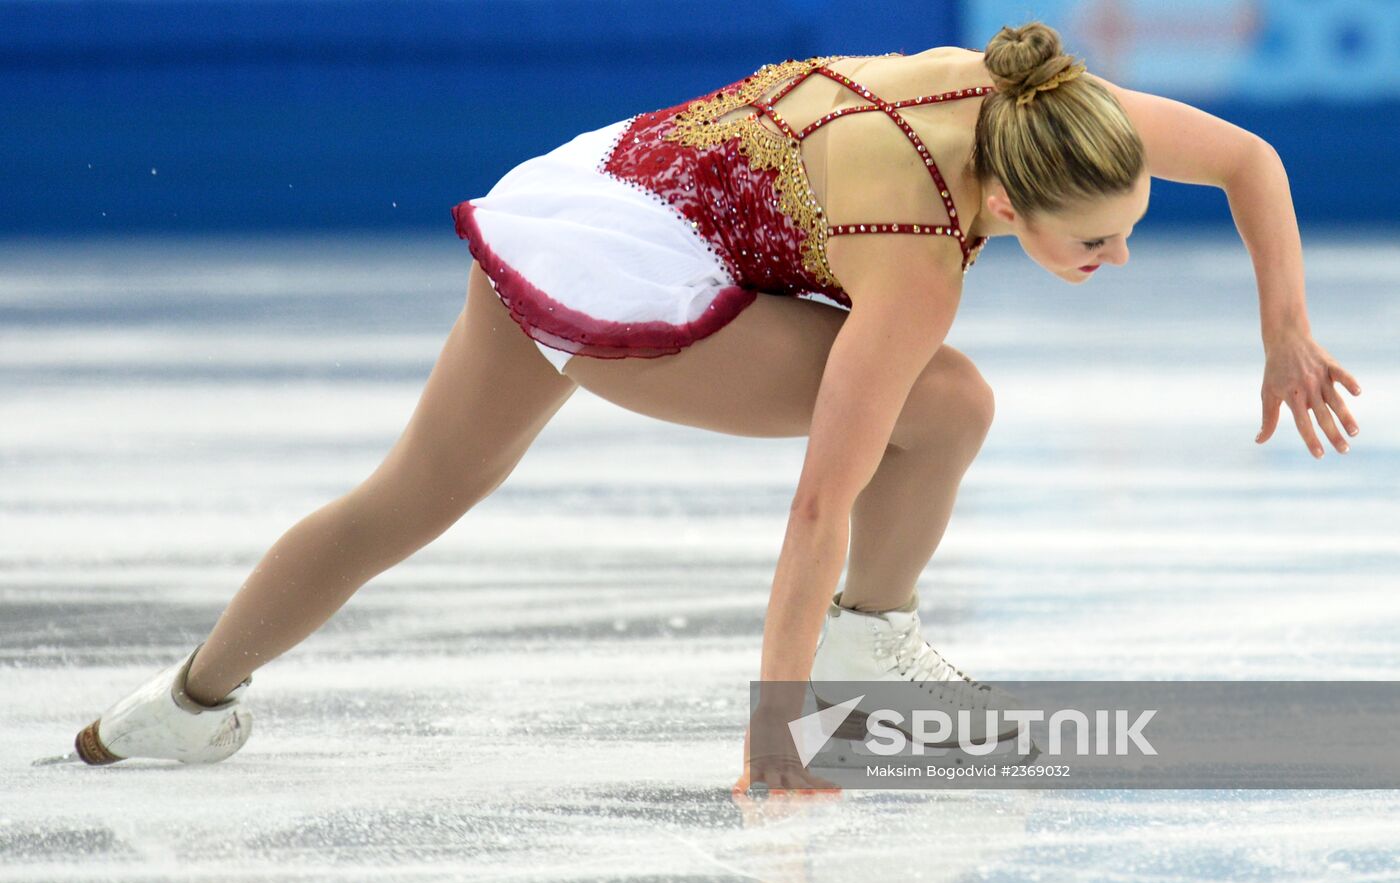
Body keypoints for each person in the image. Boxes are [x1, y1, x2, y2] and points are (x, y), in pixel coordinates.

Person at [69, 23, 1362, 791]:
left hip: (604, 180)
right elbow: (818, 509)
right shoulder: (912, 259)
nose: (1118, 259)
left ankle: (178, 706)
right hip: (629, 257)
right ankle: (864, 648)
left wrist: (1286, 330)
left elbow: (1249, 160)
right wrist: (779, 738)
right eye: (1096, 247)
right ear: (1011, 206)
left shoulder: (1051, 116)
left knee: (404, 499)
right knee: (949, 404)